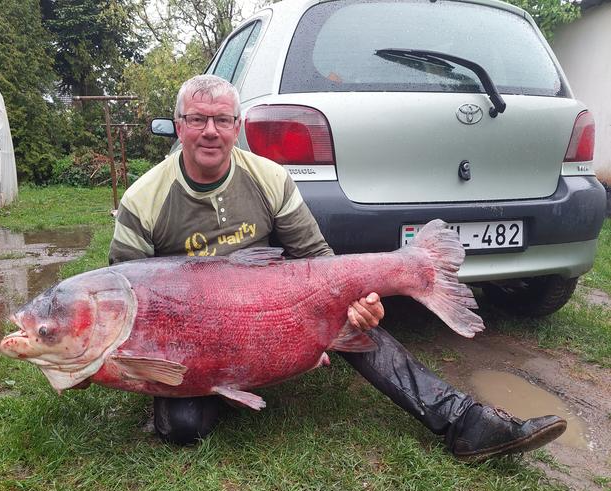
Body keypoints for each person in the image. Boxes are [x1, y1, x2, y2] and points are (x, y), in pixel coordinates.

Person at [109, 74, 567, 462]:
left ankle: (464, 421)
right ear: (179, 126)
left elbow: (316, 260)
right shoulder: (143, 199)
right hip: (189, 335)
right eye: (197, 119)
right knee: (183, 428)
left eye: (222, 120)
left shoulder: (268, 177)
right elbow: (126, 303)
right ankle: (239, 375)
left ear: (237, 126)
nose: (210, 131)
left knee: (349, 320)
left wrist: (356, 302)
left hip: (271, 309)